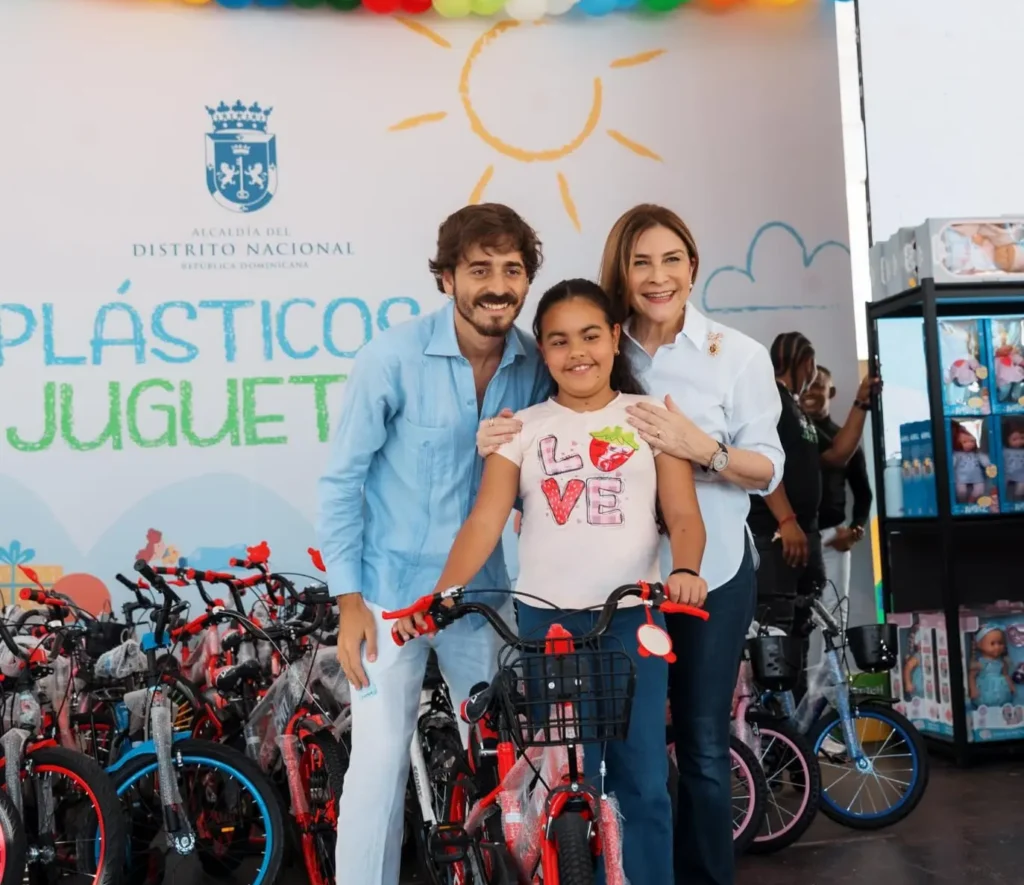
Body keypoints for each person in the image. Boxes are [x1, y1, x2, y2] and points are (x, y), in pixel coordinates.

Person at [480, 204, 784, 885]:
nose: (657, 275)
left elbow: (769, 469)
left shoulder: (735, 354)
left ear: (692, 267)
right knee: (594, 757)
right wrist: (494, 448)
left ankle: (697, 875)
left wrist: (701, 448)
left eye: (671, 259)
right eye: (640, 261)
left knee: (699, 744)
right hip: (603, 592)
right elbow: (538, 441)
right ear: (620, 272)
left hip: (708, 572)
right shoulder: (592, 338)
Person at [410, 278, 707, 885]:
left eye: (591, 336)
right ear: (541, 351)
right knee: (566, 780)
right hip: (547, 626)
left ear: (615, 337)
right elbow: (485, 521)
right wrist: (442, 595)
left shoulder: (649, 420)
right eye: (559, 340)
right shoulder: (520, 428)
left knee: (644, 778)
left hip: (634, 620)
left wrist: (685, 570)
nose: (578, 353)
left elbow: (683, 515)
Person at [316, 203, 551, 885]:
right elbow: (342, 482)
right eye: (480, 269)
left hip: (481, 598)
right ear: (447, 277)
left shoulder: (537, 365)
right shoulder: (390, 358)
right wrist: (348, 602)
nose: (497, 286)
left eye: (512, 270)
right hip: (389, 597)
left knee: (504, 760)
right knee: (379, 763)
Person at [749, 334, 876, 660]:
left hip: (804, 535)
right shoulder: (770, 401)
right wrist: (786, 520)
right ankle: (777, 694)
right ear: (807, 363)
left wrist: (862, 403)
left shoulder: (795, 408)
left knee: (802, 629)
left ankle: (800, 692)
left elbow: (837, 454)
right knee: (776, 632)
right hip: (778, 538)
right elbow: (761, 464)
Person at [800, 365, 873, 667]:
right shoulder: (788, 431)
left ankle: (831, 688)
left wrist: (855, 531)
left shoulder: (845, 438)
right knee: (795, 615)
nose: (811, 391)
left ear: (831, 392)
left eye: (819, 385)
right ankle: (798, 687)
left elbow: (864, 494)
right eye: (807, 384)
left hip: (832, 537)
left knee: (834, 617)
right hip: (795, 538)